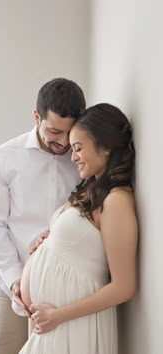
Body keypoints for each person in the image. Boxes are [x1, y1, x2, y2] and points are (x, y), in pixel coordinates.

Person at [0, 78, 86, 354]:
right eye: (54, 131)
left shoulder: (82, 161)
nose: (63, 143)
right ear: (36, 117)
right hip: (10, 289)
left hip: (65, 295)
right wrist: (15, 280)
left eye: (69, 133)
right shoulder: (4, 159)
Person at [19, 103, 138, 354]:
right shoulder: (91, 190)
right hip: (52, 324)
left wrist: (58, 315)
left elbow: (124, 286)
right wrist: (46, 244)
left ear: (105, 147)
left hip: (72, 324)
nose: (73, 157)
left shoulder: (116, 200)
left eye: (78, 148)